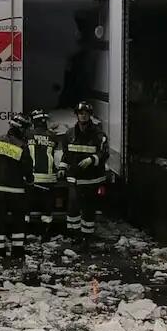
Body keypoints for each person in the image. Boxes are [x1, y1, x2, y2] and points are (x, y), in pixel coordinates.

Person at [0, 114, 34, 258]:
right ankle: (17, 250)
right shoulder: (22, 146)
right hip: (16, 191)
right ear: (21, 130)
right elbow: (28, 168)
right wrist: (30, 181)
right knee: (18, 221)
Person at [58, 101, 109, 241]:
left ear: (90, 115)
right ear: (77, 115)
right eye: (81, 113)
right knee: (73, 207)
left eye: (86, 114)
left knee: (88, 209)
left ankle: (87, 236)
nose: (83, 116)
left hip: (92, 179)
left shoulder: (99, 135)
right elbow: (66, 154)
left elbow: (104, 153)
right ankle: (74, 235)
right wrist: (62, 167)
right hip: (74, 178)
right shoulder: (69, 134)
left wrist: (92, 159)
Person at [26, 109, 60, 238]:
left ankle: (26, 233)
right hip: (49, 179)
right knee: (46, 211)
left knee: (26, 209)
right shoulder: (52, 136)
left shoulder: (27, 135)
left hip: (32, 179)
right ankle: (45, 234)